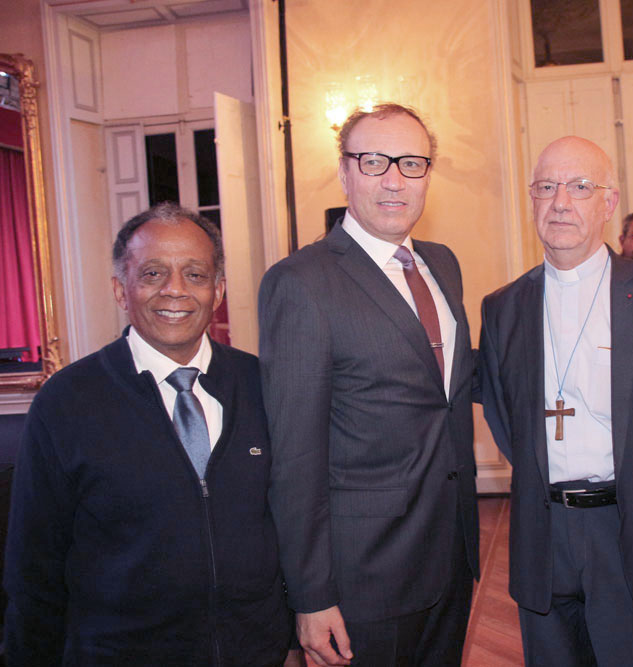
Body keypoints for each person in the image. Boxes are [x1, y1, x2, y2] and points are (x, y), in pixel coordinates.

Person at [4, 203, 292, 664]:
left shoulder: (263, 386)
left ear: (218, 290)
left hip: (256, 652)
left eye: (195, 275)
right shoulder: (67, 402)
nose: (175, 291)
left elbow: (295, 526)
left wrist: (292, 641)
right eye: (153, 273)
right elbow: (32, 568)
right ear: (121, 289)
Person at [258, 103, 479, 667]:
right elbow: (295, 453)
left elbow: (445, 389)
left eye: (411, 163)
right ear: (345, 171)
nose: (393, 179)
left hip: (450, 554)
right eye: (374, 160)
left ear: (428, 174)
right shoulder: (302, 282)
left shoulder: (443, 263)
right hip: (364, 575)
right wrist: (310, 594)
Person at [479, 136, 633, 666]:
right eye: (546, 187)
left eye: (580, 187)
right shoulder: (503, 307)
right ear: (531, 199)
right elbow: (500, 409)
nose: (560, 201)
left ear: (609, 203)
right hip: (544, 532)